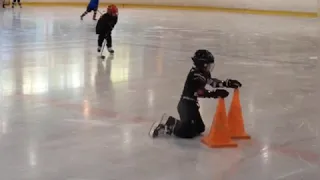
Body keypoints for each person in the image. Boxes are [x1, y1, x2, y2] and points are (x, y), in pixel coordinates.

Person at [149, 49, 242, 139]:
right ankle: (168, 122)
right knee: (188, 132)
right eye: (208, 65)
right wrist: (215, 94)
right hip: (186, 105)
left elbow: (212, 82)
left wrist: (226, 83)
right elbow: (200, 92)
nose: (210, 67)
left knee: (199, 128)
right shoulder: (195, 75)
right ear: (203, 64)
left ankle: (181, 124)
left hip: (192, 105)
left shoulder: (203, 73)